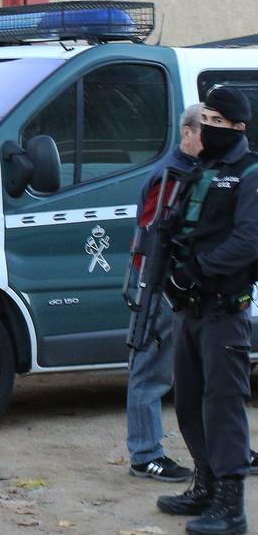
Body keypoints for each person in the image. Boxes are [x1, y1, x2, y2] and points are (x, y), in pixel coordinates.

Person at [157, 86, 258, 535]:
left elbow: (248, 240)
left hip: (223, 310)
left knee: (223, 407)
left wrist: (197, 270)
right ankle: (205, 485)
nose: (209, 128)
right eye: (207, 119)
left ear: (238, 127)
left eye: (219, 122)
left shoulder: (250, 172)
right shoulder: (202, 169)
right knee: (190, 402)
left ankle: (230, 507)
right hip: (190, 310)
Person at [127, 103, 202, 482]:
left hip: (171, 288)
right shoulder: (171, 175)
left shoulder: (189, 171)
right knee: (150, 371)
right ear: (187, 133)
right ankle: (145, 455)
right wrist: (168, 285)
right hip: (159, 288)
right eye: (204, 130)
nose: (210, 138)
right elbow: (152, 236)